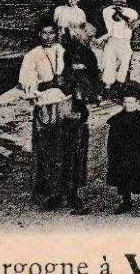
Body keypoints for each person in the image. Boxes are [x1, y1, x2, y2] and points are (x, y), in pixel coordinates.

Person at [18, 25, 88, 211]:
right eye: (44, 32)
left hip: (67, 103)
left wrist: (70, 84)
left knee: (72, 148)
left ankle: (73, 194)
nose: (48, 36)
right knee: (48, 150)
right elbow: (26, 81)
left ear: (57, 34)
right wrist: (44, 84)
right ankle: (52, 194)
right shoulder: (32, 55)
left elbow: (79, 74)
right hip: (46, 106)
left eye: (52, 33)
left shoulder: (65, 51)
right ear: (39, 34)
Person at [105, 90, 140, 219]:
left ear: (137, 102)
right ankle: (126, 202)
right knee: (123, 176)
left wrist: (135, 147)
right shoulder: (117, 119)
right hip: (121, 153)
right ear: (123, 103)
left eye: (131, 102)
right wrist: (114, 152)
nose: (129, 104)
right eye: (126, 102)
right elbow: (112, 139)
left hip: (138, 153)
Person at [99, 0, 138, 98]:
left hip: (125, 42)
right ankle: (107, 87)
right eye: (117, 5)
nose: (119, 7)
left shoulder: (131, 13)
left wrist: (123, 11)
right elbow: (106, 11)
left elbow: (133, 15)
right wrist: (116, 9)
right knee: (108, 63)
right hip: (113, 40)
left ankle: (121, 86)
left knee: (124, 64)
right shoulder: (108, 13)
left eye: (122, 5)